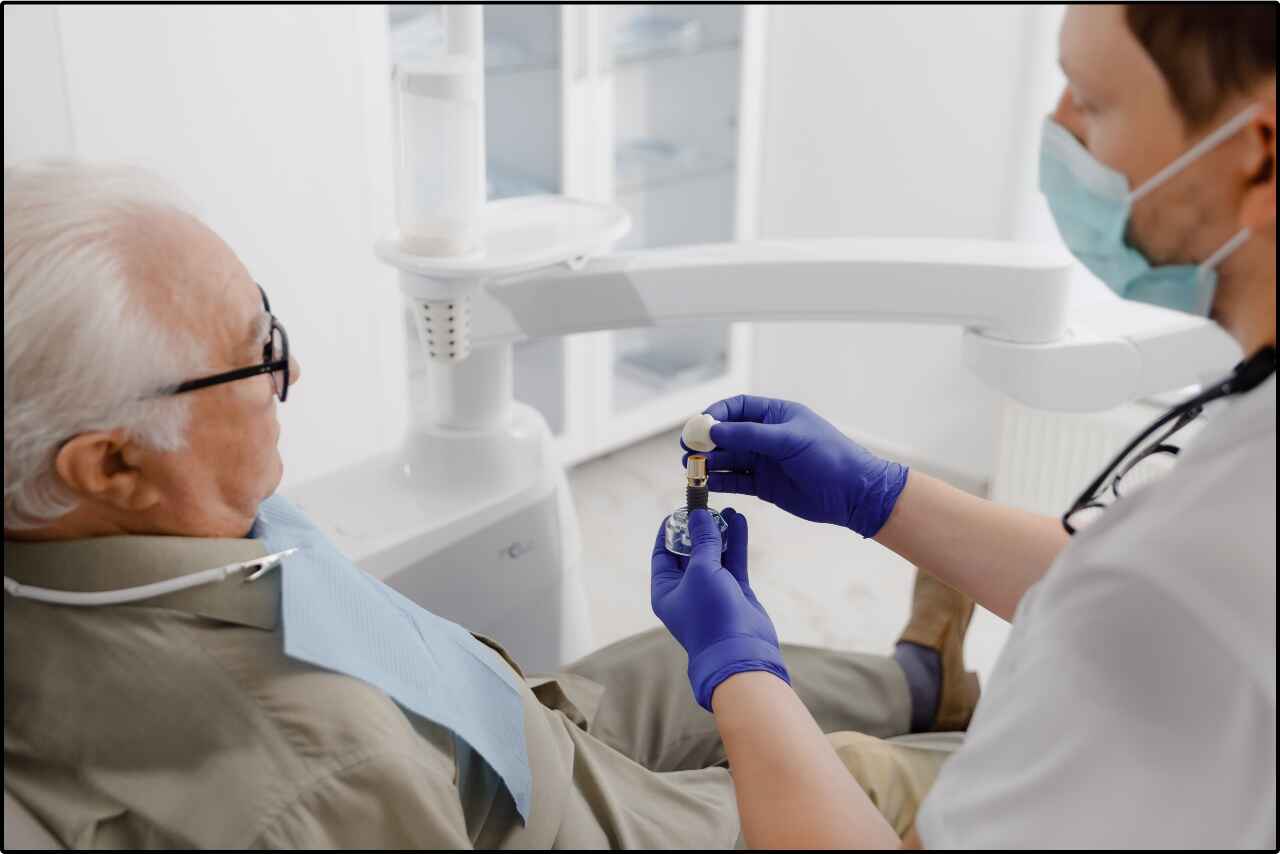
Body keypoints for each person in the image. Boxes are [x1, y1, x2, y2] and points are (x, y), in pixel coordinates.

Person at [3, 159, 976, 849]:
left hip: (499, 723)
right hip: (538, 821)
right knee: (845, 778)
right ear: (112, 462)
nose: (293, 367)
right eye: (257, 355)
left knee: (669, 664)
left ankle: (918, 682)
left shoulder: (133, 521)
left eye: (270, 316)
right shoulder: (313, 775)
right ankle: (943, 761)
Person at [650, 4, 1276, 848]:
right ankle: (924, 681)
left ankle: (918, 683)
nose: (1057, 132)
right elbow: (1144, 611)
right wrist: (880, 497)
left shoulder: (1186, 568)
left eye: (1092, 102)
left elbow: (1158, 602)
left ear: (1261, 154)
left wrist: (737, 670)